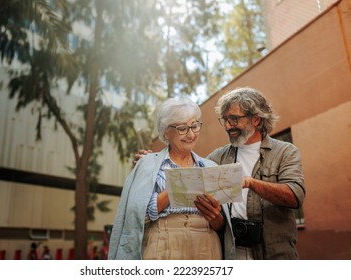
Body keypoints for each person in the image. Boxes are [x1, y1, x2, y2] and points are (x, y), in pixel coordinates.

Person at [134, 87, 306, 260]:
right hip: (231, 250)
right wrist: (152, 161)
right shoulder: (216, 157)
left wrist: (250, 182)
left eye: (234, 119)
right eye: (224, 119)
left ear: (255, 119)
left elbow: (295, 196)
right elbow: (189, 173)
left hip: (273, 252)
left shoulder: (285, 152)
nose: (227, 125)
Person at [108, 97, 235, 260]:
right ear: (166, 131)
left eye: (195, 126)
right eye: (182, 128)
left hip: (206, 245)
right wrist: (177, 188)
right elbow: (137, 216)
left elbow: (221, 226)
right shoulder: (147, 164)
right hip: (163, 242)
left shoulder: (210, 166)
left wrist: (215, 217)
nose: (191, 134)